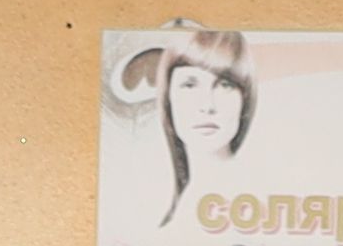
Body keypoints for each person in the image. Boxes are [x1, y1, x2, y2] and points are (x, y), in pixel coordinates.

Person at [108, 26, 257, 220]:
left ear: (245, 97)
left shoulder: (259, 199)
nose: (207, 105)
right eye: (189, 85)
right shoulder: (143, 207)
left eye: (225, 84)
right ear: (168, 96)